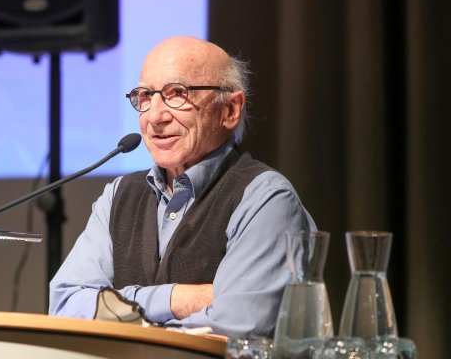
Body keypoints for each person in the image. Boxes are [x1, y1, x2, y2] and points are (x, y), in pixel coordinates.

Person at [49, 36, 316, 337]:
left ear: (230, 110)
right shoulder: (118, 195)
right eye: (145, 96)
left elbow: (237, 326)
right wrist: (178, 299)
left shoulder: (264, 198)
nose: (155, 117)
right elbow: (65, 304)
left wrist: (117, 310)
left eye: (177, 93)